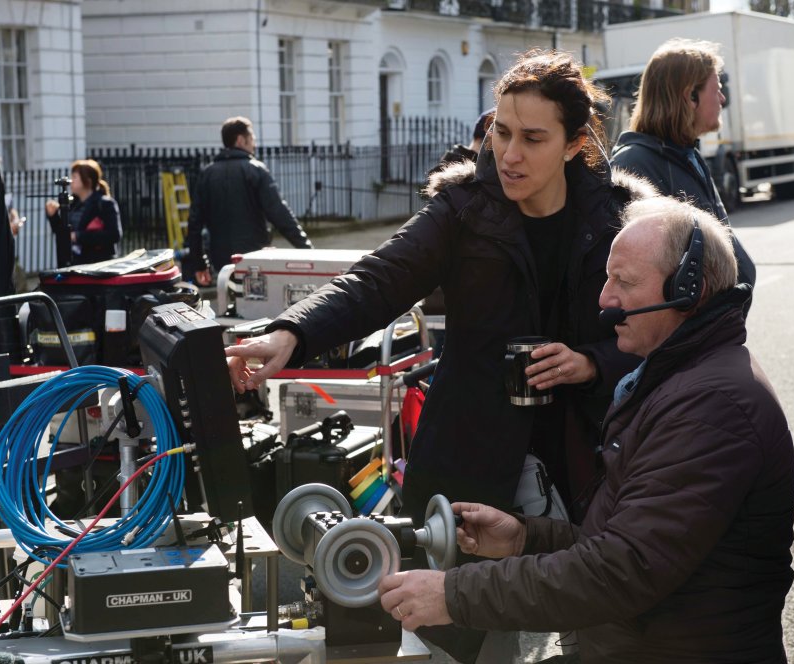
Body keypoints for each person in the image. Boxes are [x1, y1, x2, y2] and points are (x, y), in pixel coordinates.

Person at [227, 49, 650, 661]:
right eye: (501, 132)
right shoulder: (461, 209)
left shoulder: (618, 214)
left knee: (599, 630)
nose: (509, 154)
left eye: (532, 138)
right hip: (471, 456)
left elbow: (659, 329)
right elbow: (377, 279)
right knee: (461, 638)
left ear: (573, 143)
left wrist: (591, 362)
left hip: (588, 457)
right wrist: (289, 333)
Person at [379, 196, 794, 664]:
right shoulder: (678, 378)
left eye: (624, 282)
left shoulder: (711, 407)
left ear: (687, 288)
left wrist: (453, 595)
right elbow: (629, 543)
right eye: (607, 279)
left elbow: (624, 570)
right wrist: (523, 538)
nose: (605, 299)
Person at [610, 38, 756, 295]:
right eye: (717, 89)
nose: (722, 99)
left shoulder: (689, 154)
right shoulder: (633, 164)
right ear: (690, 96)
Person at [185, 117, 312, 285]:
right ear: (240, 139)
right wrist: (306, 250)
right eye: (252, 138)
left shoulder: (207, 174)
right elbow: (279, 214)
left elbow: (195, 223)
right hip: (254, 256)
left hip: (221, 259)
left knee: (229, 300)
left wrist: (199, 264)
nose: (254, 144)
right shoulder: (255, 169)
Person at [44, 159, 121, 264]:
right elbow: (62, 235)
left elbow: (114, 235)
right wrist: (53, 216)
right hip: (76, 262)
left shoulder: (105, 204)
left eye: (75, 177)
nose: (71, 180)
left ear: (88, 181)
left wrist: (78, 236)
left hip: (98, 264)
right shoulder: (73, 204)